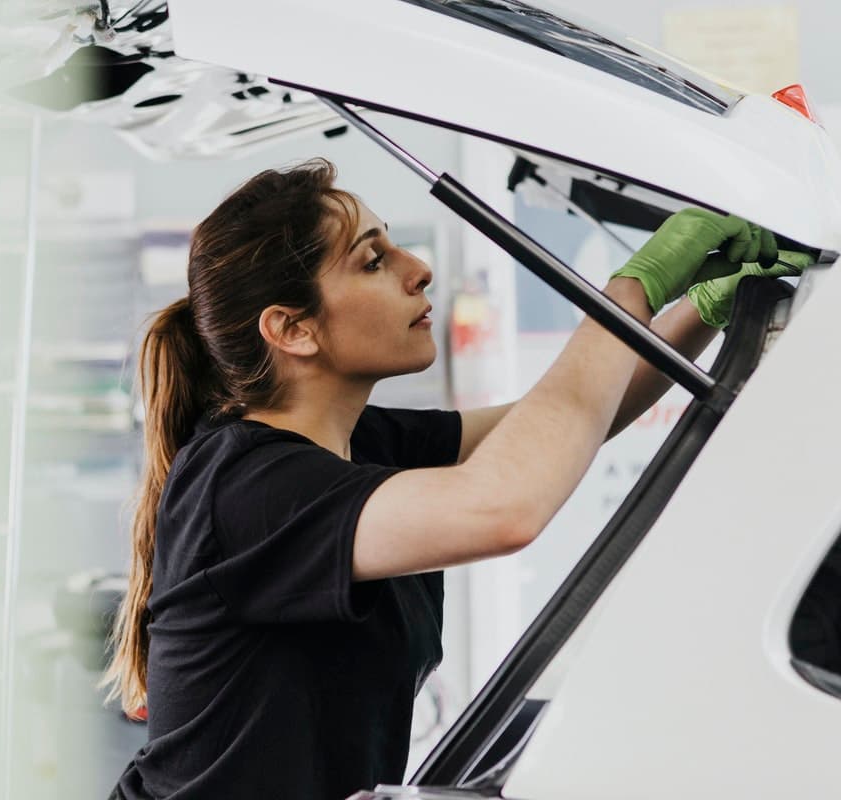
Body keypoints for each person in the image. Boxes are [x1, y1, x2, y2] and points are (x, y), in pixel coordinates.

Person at [103, 158, 805, 800]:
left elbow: (573, 420)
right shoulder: (248, 488)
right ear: (292, 329)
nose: (418, 269)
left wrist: (705, 304)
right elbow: (505, 507)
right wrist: (628, 289)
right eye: (373, 260)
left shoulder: (356, 445)